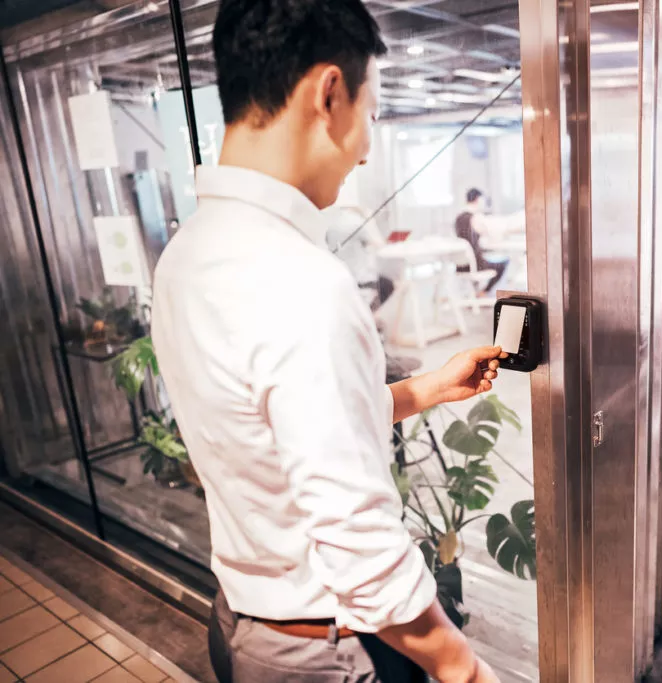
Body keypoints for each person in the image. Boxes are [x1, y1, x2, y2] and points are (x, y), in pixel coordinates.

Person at [149, 1, 502, 681]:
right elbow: (359, 543)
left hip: (240, 621)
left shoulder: (185, 254)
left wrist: (430, 386)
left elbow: (277, 433)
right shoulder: (303, 282)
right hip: (321, 651)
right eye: (371, 113)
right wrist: (466, 669)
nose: (368, 147)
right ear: (330, 93)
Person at [324, 202, 395, 309]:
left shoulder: (331, 223)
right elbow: (380, 245)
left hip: (341, 279)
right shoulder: (357, 222)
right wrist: (370, 219)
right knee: (394, 286)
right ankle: (374, 319)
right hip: (361, 280)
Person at [454, 188, 508, 294]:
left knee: (487, 257)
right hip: (476, 265)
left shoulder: (459, 218)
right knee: (504, 262)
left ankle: (477, 293)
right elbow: (491, 234)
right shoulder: (475, 218)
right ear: (477, 199)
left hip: (461, 265)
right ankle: (484, 292)